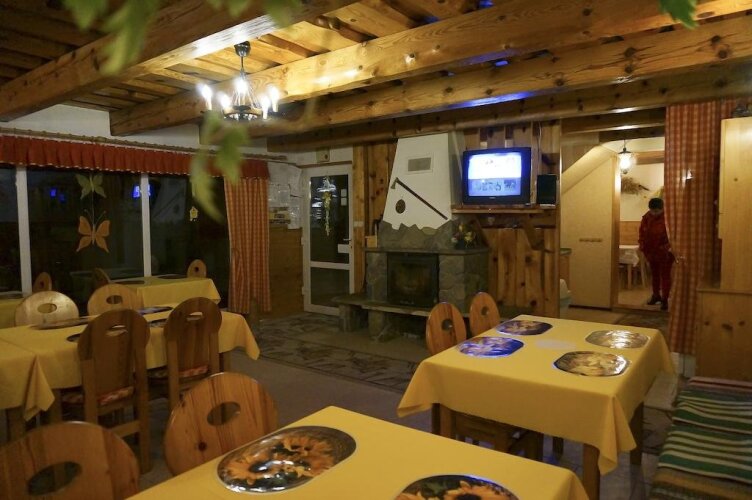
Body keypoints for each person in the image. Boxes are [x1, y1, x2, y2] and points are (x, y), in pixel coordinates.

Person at [639, 198, 673, 310]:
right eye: (652, 211)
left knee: (665, 276)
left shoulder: (668, 218)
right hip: (651, 251)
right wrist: (642, 246)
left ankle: (665, 299)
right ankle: (656, 295)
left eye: (657, 211)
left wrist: (666, 248)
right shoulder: (646, 217)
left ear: (662, 209)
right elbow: (642, 233)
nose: (654, 213)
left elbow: (672, 236)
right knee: (654, 275)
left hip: (665, 252)